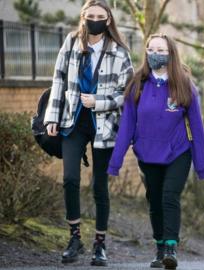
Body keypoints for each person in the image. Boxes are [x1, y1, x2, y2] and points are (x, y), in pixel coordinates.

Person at [107, 33, 204, 270]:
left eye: (161, 50)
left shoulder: (184, 85)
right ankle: (160, 247)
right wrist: (115, 162)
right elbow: (127, 126)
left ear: (171, 53)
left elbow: (197, 127)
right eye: (151, 49)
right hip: (147, 153)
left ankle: (171, 248)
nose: (156, 54)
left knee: (169, 196)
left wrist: (202, 166)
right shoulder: (137, 84)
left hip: (178, 152)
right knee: (154, 200)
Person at [44, 0, 133, 266]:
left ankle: (100, 244)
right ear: (83, 17)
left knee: (99, 185)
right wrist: (52, 117)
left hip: (104, 125)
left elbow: (125, 94)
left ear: (108, 20)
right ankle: (75, 238)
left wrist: (99, 101)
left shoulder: (119, 52)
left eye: (100, 16)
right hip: (73, 121)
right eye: (89, 15)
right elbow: (58, 80)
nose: (94, 19)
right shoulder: (71, 43)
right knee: (70, 179)